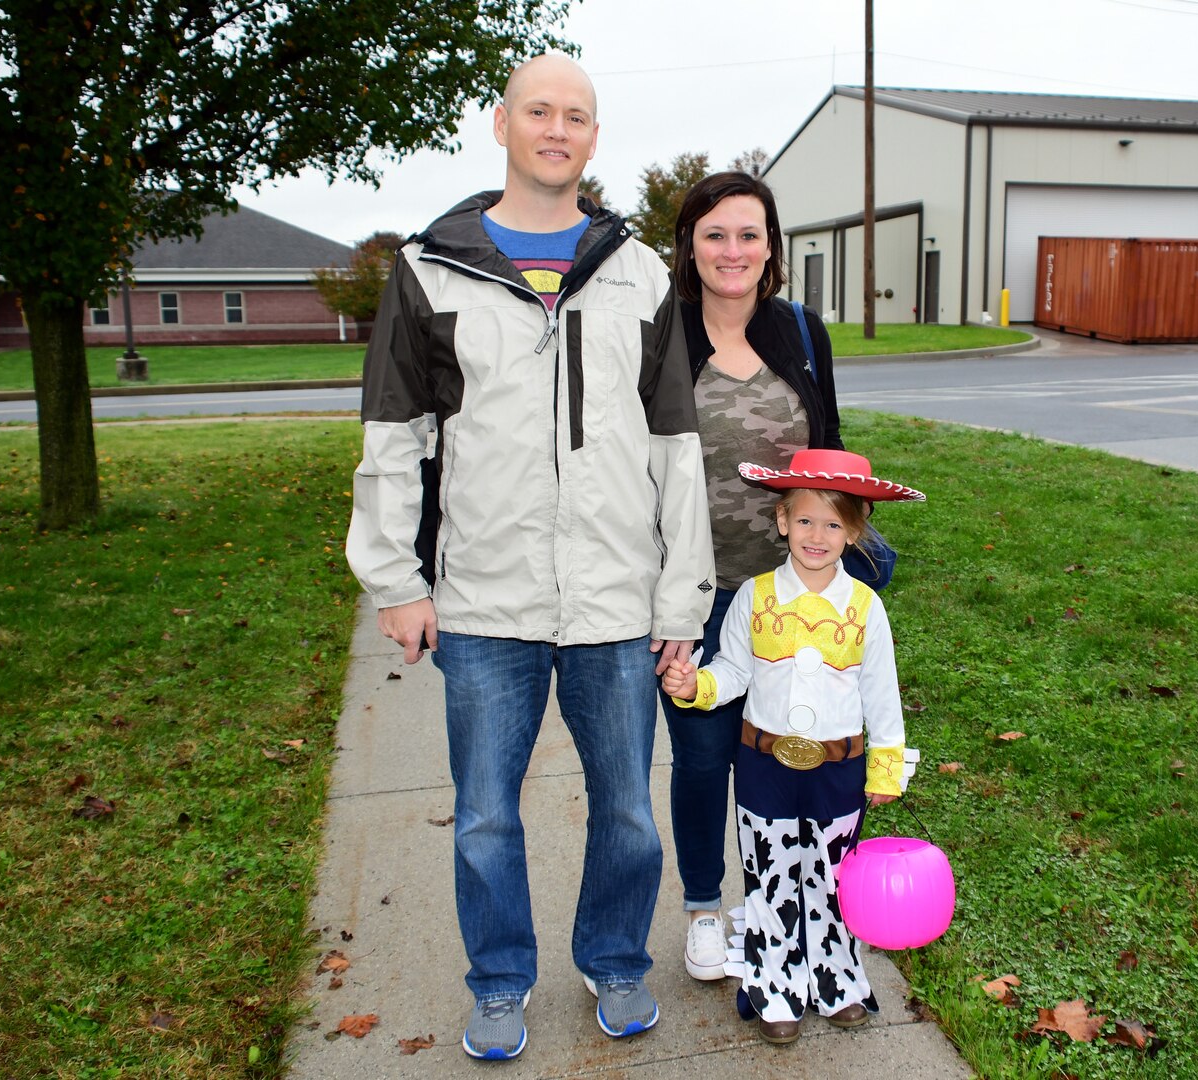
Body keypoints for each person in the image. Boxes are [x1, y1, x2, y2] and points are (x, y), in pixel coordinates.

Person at [345, 53, 715, 1062]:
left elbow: (676, 453)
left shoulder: (641, 277)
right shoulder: (429, 269)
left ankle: (616, 960)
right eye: (540, 111)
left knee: (630, 813)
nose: (558, 128)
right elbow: (394, 434)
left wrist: (679, 600)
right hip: (482, 602)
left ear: (595, 138)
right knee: (483, 820)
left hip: (613, 602)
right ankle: (500, 982)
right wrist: (396, 580)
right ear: (501, 123)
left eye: (579, 116)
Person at [661, 449, 923, 1045]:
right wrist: (695, 686)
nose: (817, 535)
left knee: (831, 878)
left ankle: (834, 978)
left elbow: (882, 694)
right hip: (764, 766)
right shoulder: (754, 597)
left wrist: (885, 770)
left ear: (854, 533)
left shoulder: (865, 609)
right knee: (772, 876)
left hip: (839, 769)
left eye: (834, 524)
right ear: (781, 521)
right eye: (805, 520)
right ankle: (774, 986)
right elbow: (732, 671)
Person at [661, 170, 844, 982]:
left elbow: (829, 458)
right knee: (702, 762)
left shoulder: (801, 333)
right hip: (695, 599)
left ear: (770, 245)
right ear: (689, 245)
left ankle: (777, 904)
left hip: (788, 597)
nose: (731, 251)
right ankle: (705, 910)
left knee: (784, 759)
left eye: (747, 234)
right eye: (714, 234)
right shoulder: (658, 336)